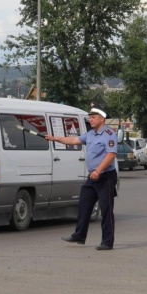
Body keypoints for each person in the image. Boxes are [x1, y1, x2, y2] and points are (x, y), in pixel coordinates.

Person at [45, 103, 118, 250]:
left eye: (93, 117)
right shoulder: (90, 134)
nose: (90, 119)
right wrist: (55, 138)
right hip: (93, 177)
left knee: (106, 210)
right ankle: (79, 235)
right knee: (84, 205)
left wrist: (98, 170)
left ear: (102, 119)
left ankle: (107, 242)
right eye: (89, 117)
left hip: (105, 176)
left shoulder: (109, 135)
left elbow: (111, 155)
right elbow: (73, 140)